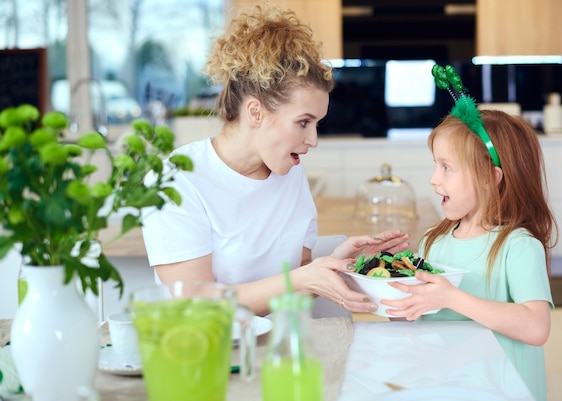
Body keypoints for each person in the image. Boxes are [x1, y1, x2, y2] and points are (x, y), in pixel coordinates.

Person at [141, 5, 410, 316]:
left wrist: (339, 264)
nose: (313, 140)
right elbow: (194, 306)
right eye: (304, 122)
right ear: (255, 112)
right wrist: (303, 279)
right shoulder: (179, 180)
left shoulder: (289, 171)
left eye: (317, 124)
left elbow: (296, 290)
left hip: (282, 347)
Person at [380, 66, 556, 401]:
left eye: (447, 167)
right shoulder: (433, 241)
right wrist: (388, 282)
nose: (433, 179)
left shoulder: (518, 247)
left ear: (491, 178)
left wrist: (452, 297)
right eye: (435, 165)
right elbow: (414, 315)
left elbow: (536, 327)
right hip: (449, 396)